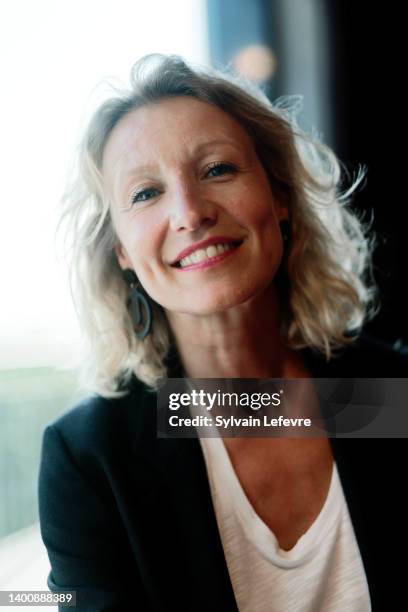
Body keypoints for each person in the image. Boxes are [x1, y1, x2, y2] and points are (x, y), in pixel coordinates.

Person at [39, 54, 407, 612]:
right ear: (121, 251)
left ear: (279, 197)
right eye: (145, 193)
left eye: (217, 170)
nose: (190, 213)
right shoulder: (92, 460)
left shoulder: (386, 394)